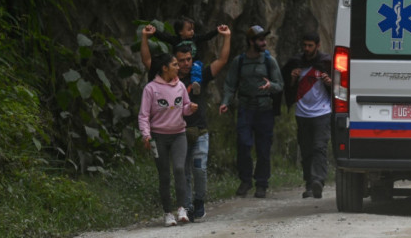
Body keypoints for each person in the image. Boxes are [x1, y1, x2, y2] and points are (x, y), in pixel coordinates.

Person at [141, 23, 231, 221]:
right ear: (174, 61)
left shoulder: (199, 74)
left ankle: (198, 202)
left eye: (189, 59)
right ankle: (187, 207)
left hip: (199, 130)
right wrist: (145, 38)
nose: (186, 64)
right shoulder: (164, 79)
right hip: (177, 132)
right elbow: (147, 60)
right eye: (181, 61)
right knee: (184, 171)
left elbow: (222, 60)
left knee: (199, 169)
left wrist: (226, 37)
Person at [219, 25, 284, 198]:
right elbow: (230, 85)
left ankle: (262, 183)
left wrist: (271, 86)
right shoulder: (239, 61)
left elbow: (280, 85)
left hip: (265, 110)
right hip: (245, 109)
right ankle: (245, 180)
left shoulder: (270, 61)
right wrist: (225, 102)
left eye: (264, 39)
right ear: (251, 42)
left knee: (263, 148)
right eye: (260, 39)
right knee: (243, 144)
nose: (264, 42)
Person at [138, 52, 198, 227]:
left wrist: (190, 108)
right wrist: (146, 135)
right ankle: (167, 213)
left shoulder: (180, 86)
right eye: (174, 65)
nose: (178, 67)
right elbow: (144, 115)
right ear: (164, 68)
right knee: (164, 175)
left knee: (180, 169)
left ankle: (182, 208)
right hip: (158, 137)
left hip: (179, 134)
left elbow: (184, 108)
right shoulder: (151, 89)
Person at [282, 31, 332, 199]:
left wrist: (330, 83)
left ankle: (318, 180)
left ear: (317, 46)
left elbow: (339, 86)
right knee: (306, 150)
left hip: (322, 112)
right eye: (304, 45)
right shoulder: (295, 63)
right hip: (302, 113)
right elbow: (287, 88)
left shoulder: (326, 63)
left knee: (319, 147)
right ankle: (309, 184)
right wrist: (292, 79)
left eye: (310, 46)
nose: (307, 49)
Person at [153, 17, 219, 94]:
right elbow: (164, 37)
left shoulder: (195, 38)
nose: (192, 32)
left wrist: (216, 30)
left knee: (197, 68)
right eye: (189, 30)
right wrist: (154, 31)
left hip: (194, 62)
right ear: (180, 31)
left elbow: (206, 36)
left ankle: (196, 84)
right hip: (178, 64)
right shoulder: (175, 40)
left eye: (193, 29)